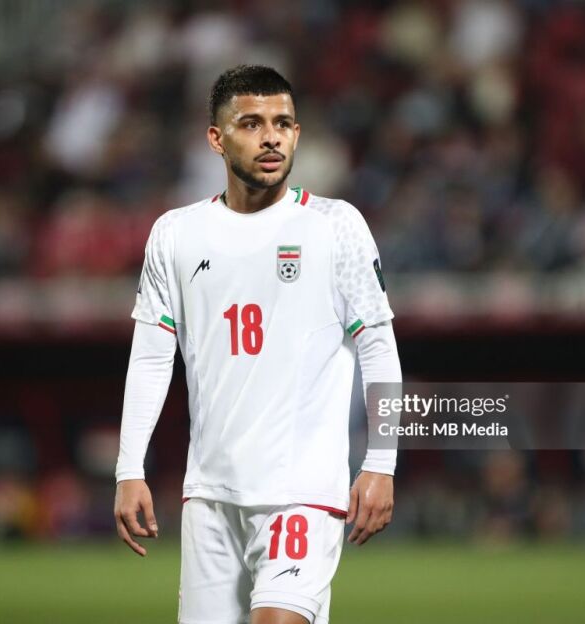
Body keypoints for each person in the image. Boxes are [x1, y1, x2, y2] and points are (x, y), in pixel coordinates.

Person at [114, 65, 402, 624]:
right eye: (251, 123)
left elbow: (379, 347)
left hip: (302, 491)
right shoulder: (175, 234)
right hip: (210, 494)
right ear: (216, 139)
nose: (271, 137)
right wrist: (130, 469)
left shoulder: (335, 225)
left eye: (283, 123)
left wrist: (381, 462)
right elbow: (150, 358)